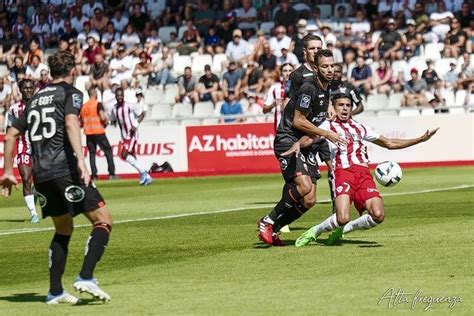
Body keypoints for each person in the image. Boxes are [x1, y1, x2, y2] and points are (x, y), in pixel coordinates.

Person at [1, 51, 112, 304]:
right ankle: (85, 276)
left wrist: (8, 171)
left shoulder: (35, 98)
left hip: (41, 176)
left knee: (63, 228)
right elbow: (72, 123)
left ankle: (54, 291)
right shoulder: (71, 93)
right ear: (72, 70)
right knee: (103, 220)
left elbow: (10, 136)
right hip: (66, 171)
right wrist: (82, 161)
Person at [292, 91, 438, 247]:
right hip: (343, 173)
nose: (345, 109)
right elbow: (309, 139)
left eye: (348, 105)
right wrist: (297, 144)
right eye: (341, 105)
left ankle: (343, 231)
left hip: (363, 175)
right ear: (333, 108)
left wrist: (420, 139)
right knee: (342, 217)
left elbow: (389, 143)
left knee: (378, 215)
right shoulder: (327, 126)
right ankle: (314, 232)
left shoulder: (360, 128)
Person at [257, 49, 345, 246]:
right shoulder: (309, 88)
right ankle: (268, 221)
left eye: (332, 66)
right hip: (288, 139)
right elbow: (298, 120)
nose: (330, 70)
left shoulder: (326, 88)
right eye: (325, 66)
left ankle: (275, 229)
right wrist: (326, 133)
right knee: (303, 186)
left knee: (309, 200)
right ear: (316, 68)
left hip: (305, 143)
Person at [5, 79, 40, 223]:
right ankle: (33, 213)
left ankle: (36, 193)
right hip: (23, 148)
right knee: (26, 179)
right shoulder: (14, 109)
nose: (29, 90)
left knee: (42, 181)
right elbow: (9, 133)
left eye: (31, 88)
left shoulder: (40, 106)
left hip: (40, 148)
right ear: (20, 90)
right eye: (25, 88)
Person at [111, 88, 152, 185]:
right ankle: (146, 177)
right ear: (115, 96)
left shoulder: (129, 106)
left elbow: (141, 114)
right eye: (118, 96)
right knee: (132, 156)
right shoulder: (114, 108)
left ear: (123, 96)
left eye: (121, 95)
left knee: (124, 154)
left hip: (132, 135)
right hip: (125, 136)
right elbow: (113, 120)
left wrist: (136, 124)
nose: (119, 97)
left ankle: (144, 172)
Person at [80, 87, 117, 180]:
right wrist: (106, 122)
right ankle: (111, 173)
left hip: (88, 132)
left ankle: (94, 175)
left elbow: (81, 120)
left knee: (92, 154)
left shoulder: (84, 106)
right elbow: (102, 117)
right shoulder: (98, 104)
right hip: (99, 131)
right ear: (95, 94)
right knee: (108, 151)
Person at [263, 63, 294, 131]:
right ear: (281, 73)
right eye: (285, 71)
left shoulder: (300, 87)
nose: (288, 73)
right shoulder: (275, 88)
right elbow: (264, 110)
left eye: (290, 70)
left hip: (296, 129)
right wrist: (273, 104)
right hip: (280, 129)